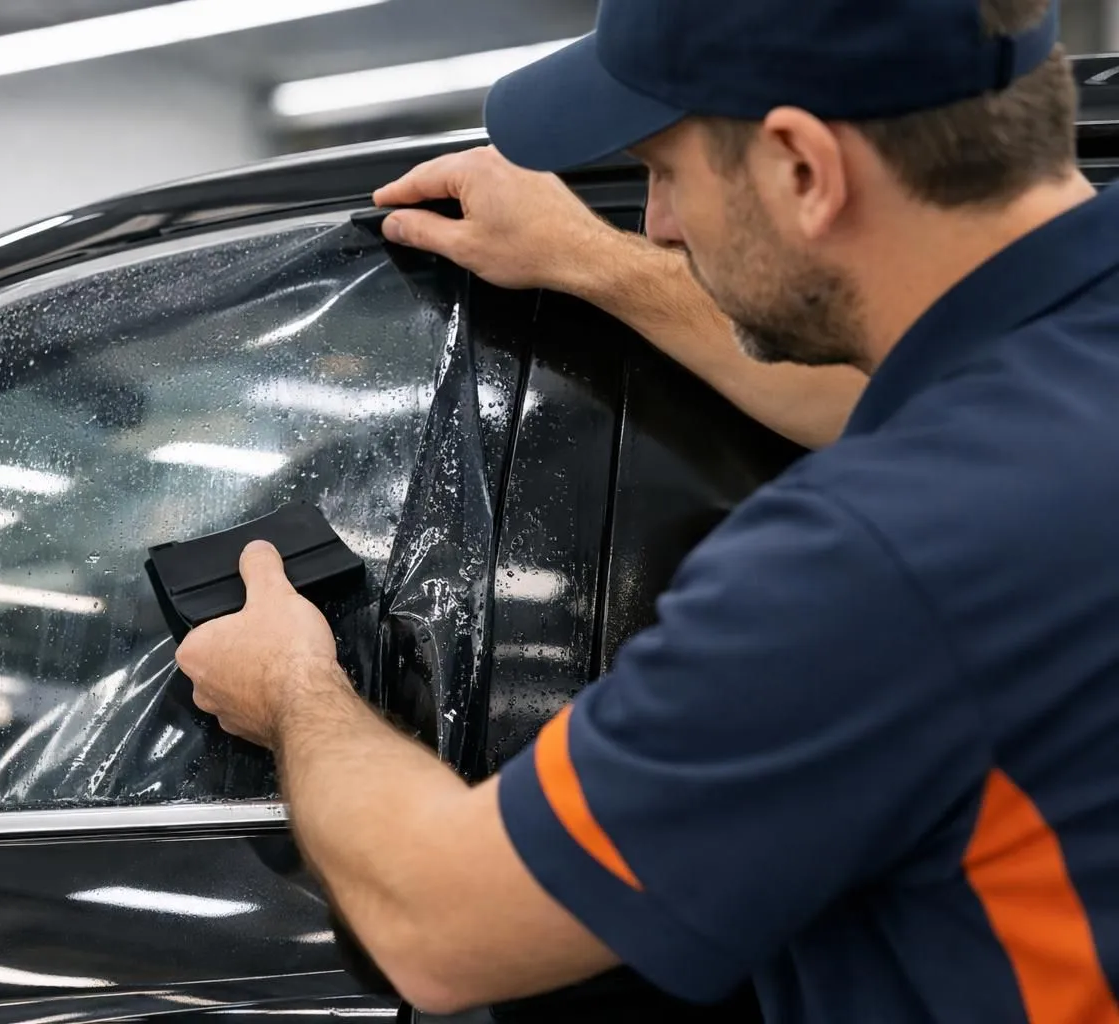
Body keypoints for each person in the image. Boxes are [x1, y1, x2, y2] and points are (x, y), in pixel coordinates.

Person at [177, 0, 1119, 1019]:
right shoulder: (1051, 397)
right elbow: (895, 394)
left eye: (665, 171)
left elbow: (441, 923)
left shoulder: (876, 561)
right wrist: (587, 259)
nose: (658, 222)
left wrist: (293, 687)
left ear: (803, 169)